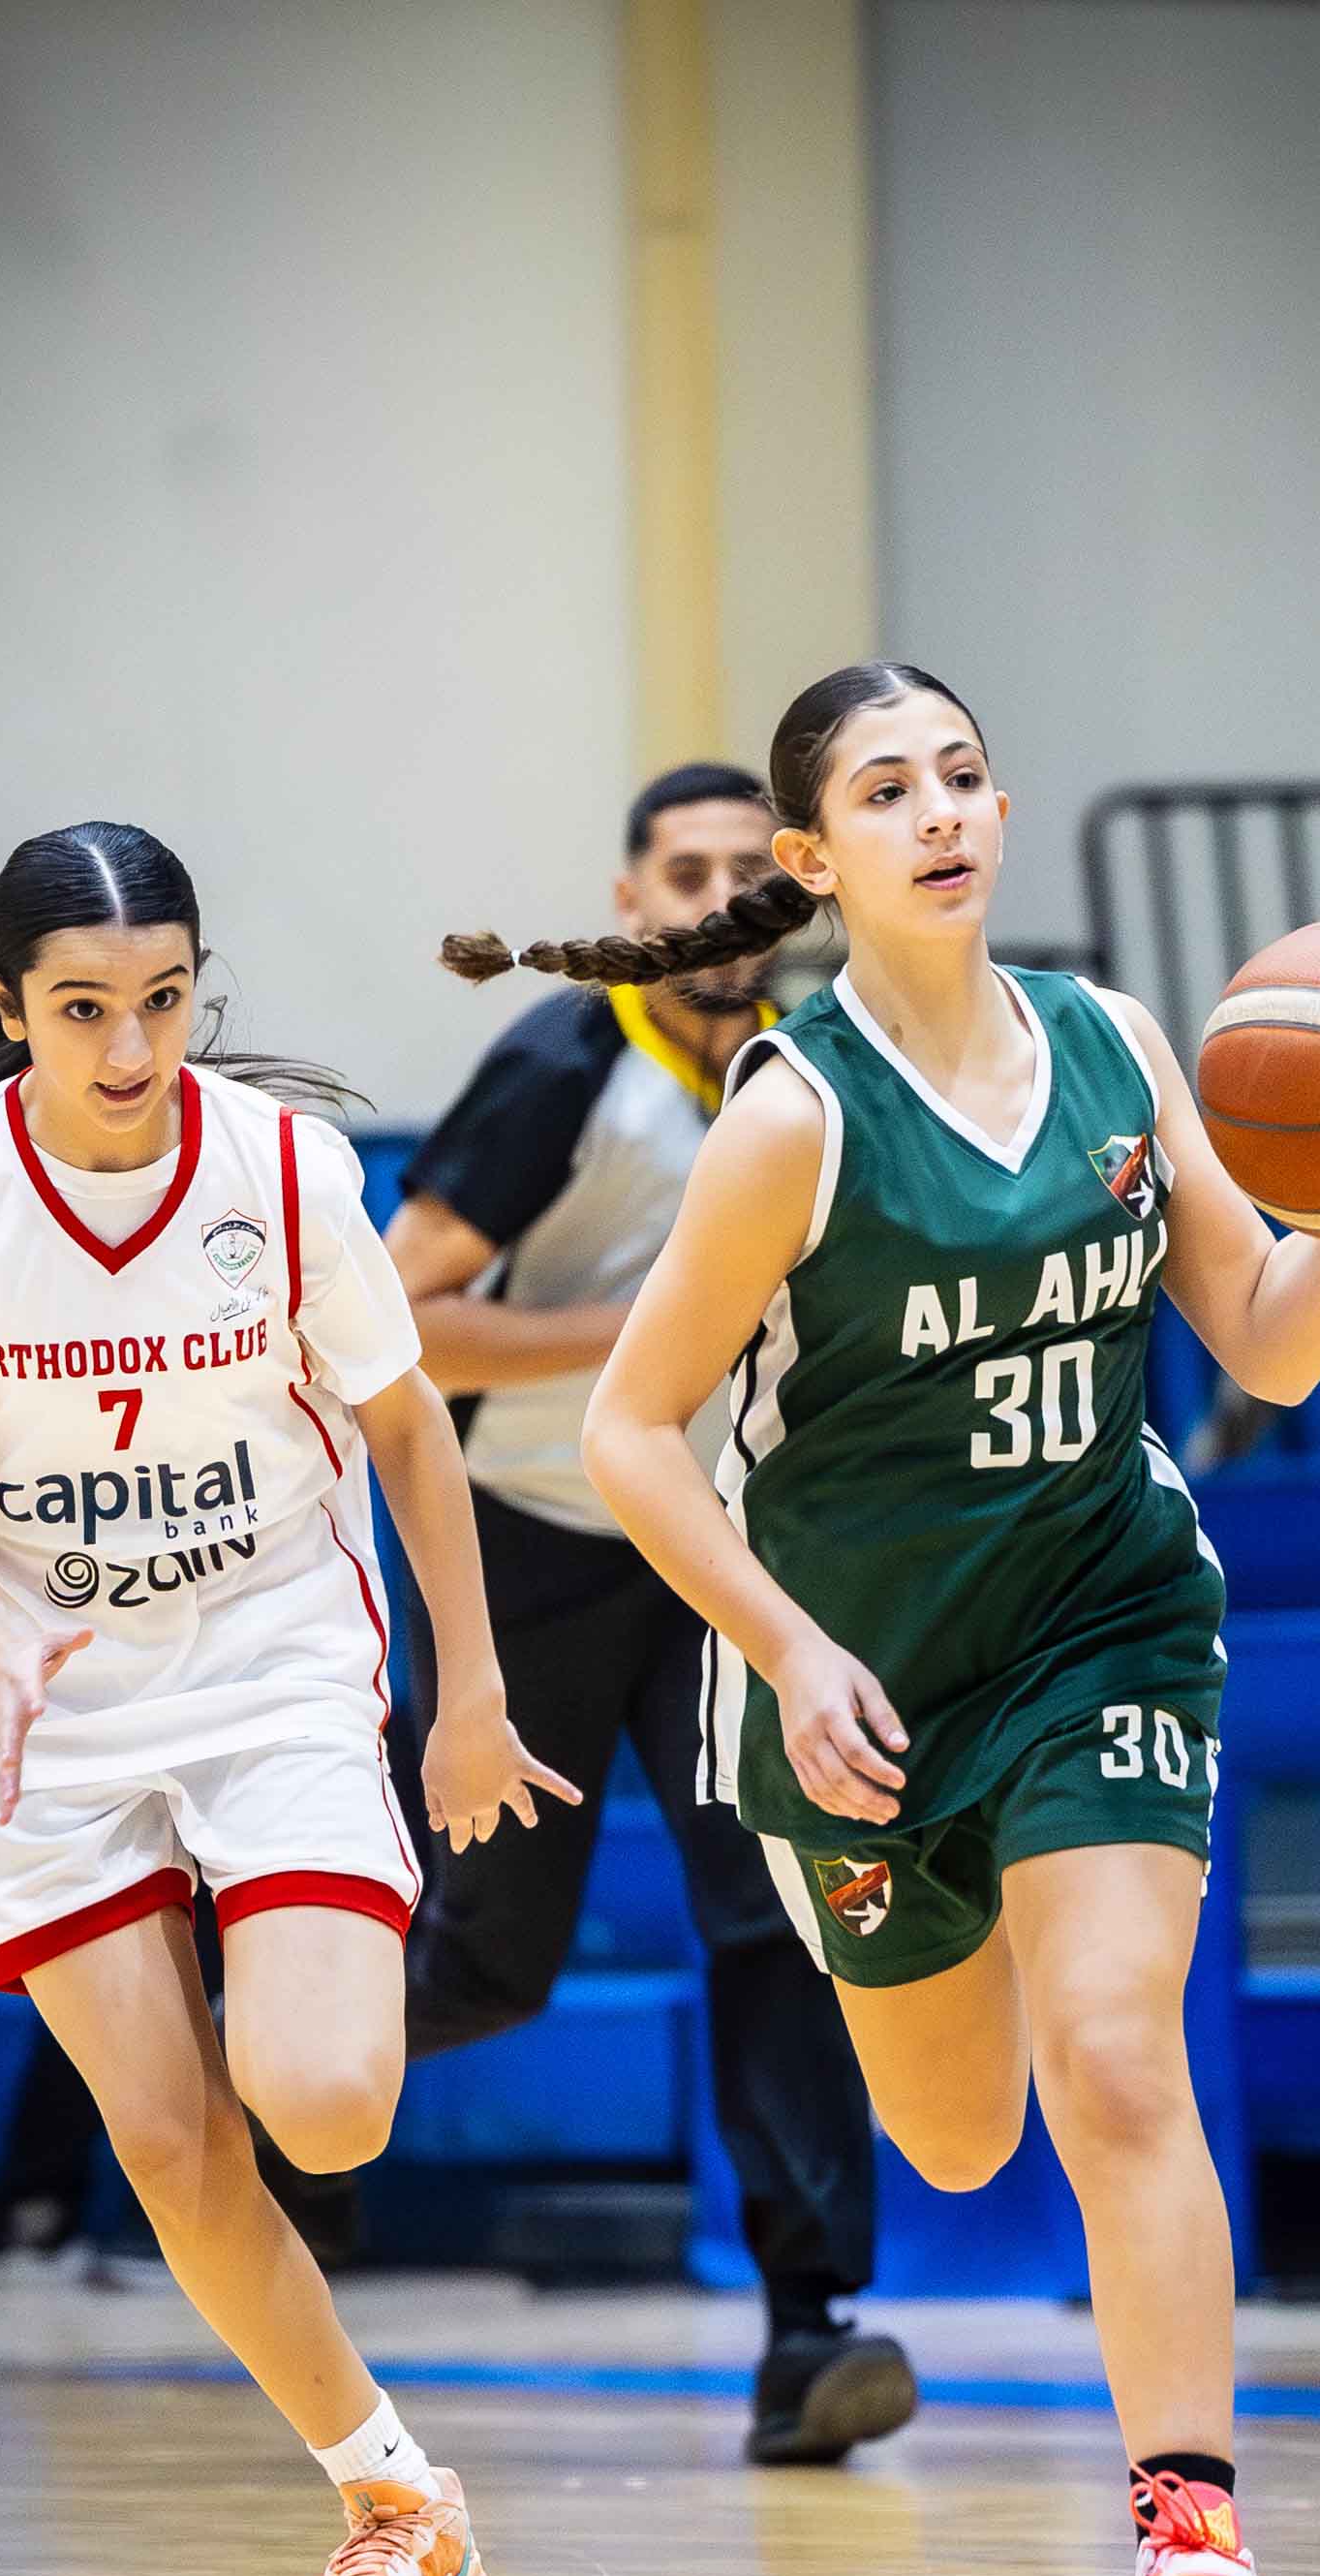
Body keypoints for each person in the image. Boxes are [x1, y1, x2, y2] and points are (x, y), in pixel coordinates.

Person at [450, 664, 1320, 2576]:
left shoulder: (1113, 1045)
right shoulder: (794, 1117)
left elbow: (1271, 1343)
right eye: (887, 790)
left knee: (1117, 2054)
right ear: (815, 859)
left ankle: (1191, 2528)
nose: (939, 810)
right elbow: (638, 1432)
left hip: (1102, 1620)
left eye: (964, 775)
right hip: (857, 1682)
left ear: (999, 817)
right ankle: (982, 1884)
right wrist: (785, 1647)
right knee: (954, 2139)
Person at [0, 820, 574, 2576]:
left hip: (269, 1660)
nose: (131, 1046)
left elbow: (406, 1427)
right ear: (11, 1005)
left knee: (320, 2098)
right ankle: (399, 2504)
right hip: (44, 1709)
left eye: (164, 1000)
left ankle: (272, 1950)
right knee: (168, 2147)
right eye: (85, 1006)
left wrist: (471, 1692)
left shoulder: (284, 1172)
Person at [386, 765, 915, 2466]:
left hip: (715, 1555)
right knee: (488, 1961)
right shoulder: (562, 1064)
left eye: (742, 870)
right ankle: (256, 2104)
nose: (713, 901)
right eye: (681, 872)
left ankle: (808, 2328)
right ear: (631, 903)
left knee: (780, 1915)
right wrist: (642, 1334)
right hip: (527, 1541)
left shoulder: (823, 1070)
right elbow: (399, 1318)